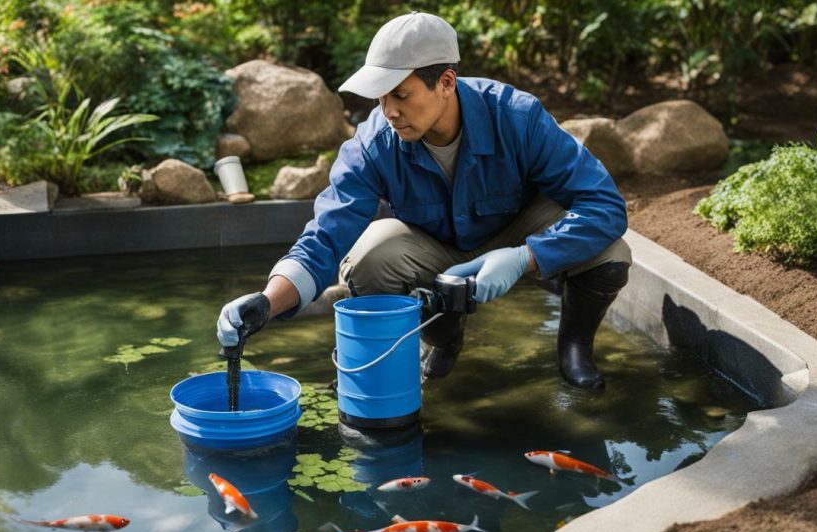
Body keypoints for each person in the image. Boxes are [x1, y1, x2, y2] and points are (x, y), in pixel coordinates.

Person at [217, 12, 632, 391]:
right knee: (369, 259)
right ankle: (444, 337)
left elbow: (605, 204)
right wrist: (266, 303)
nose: (388, 111)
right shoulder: (373, 143)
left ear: (446, 83)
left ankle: (575, 346)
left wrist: (527, 257)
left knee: (611, 250)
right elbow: (325, 239)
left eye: (400, 94)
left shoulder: (518, 118)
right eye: (380, 97)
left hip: (518, 231)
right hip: (434, 247)